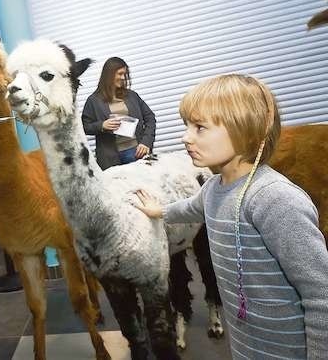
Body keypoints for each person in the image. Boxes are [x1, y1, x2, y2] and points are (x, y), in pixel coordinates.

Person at [134, 74, 328, 359]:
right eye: (186, 125)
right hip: (244, 346)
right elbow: (190, 208)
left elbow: (320, 295)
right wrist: (158, 211)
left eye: (200, 127)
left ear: (247, 132)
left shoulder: (276, 199)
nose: (185, 137)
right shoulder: (213, 188)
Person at [82, 57, 156, 169]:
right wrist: (101, 125)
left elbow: (150, 118)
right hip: (110, 159)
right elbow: (84, 127)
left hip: (136, 153)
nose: (123, 78)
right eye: (120, 74)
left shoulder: (132, 96)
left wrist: (146, 142)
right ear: (109, 75)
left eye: (124, 74)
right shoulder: (93, 101)